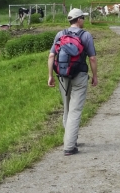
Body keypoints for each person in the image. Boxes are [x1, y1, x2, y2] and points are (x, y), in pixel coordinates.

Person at [47, 8, 98, 156]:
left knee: (67, 108)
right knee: (75, 110)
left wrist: (50, 75)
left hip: (62, 75)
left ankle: (71, 139)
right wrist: (95, 76)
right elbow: (92, 58)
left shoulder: (60, 34)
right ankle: (69, 146)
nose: (84, 20)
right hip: (79, 76)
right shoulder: (85, 35)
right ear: (79, 19)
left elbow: (51, 56)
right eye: (83, 18)